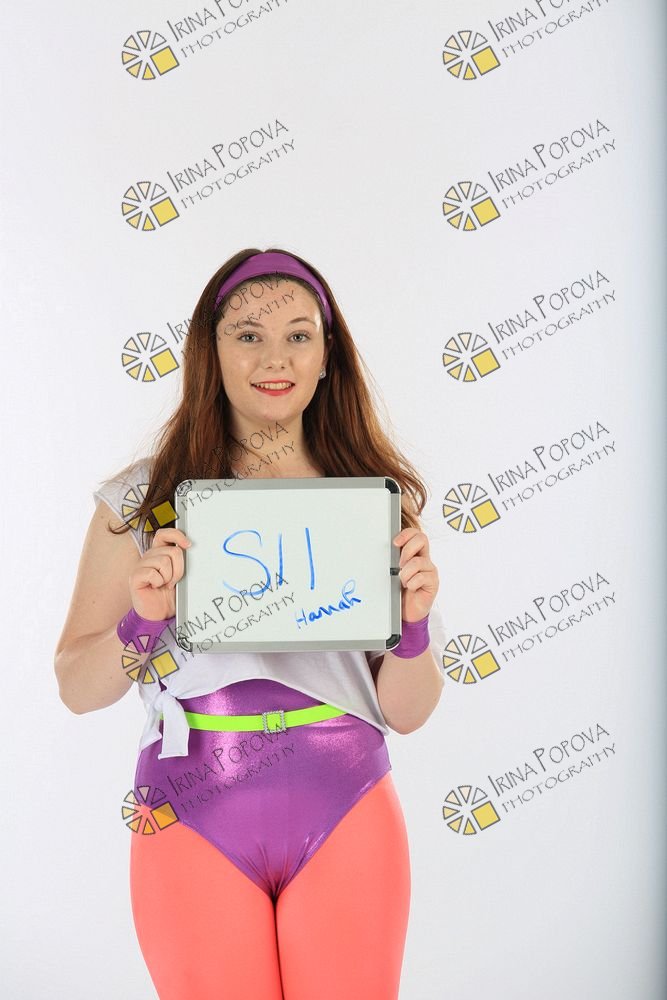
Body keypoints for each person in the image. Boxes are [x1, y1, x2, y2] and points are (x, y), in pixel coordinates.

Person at [54, 247, 448, 999]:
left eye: (299, 335)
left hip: (346, 795)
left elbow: (408, 711)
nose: (276, 358)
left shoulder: (370, 500)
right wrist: (143, 623)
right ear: (211, 353)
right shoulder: (141, 501)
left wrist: (415, 626)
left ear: (328, 356)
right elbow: (77, 688)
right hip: (191, 801)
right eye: (247, 335)